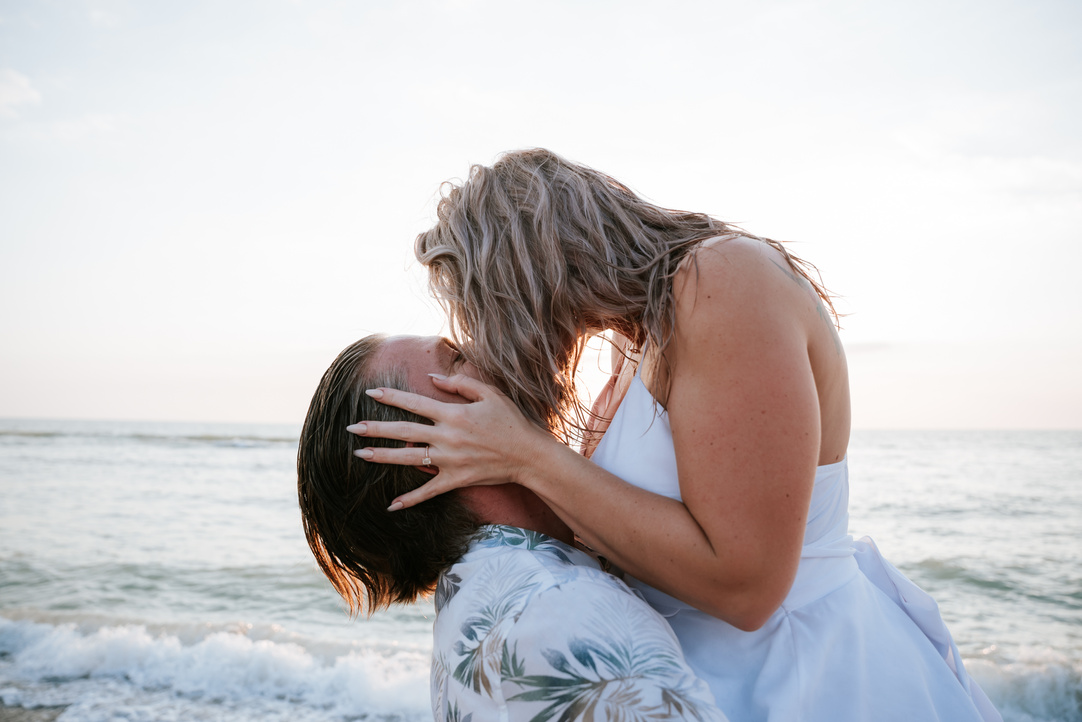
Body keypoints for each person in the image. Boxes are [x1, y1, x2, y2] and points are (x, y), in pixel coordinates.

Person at [350, 149, 1002, 721]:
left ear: (527, 269)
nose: (490, 336)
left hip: (806, 678)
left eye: (486, 303)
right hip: (702, 686)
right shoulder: (629, 353)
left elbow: (747, 588)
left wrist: (529, 456)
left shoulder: (721, 282)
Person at [297, 333, 728, 722]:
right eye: (458, 358)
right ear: (428, 451)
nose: (490, 350)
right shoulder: (559, 610)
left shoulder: (475, 605)